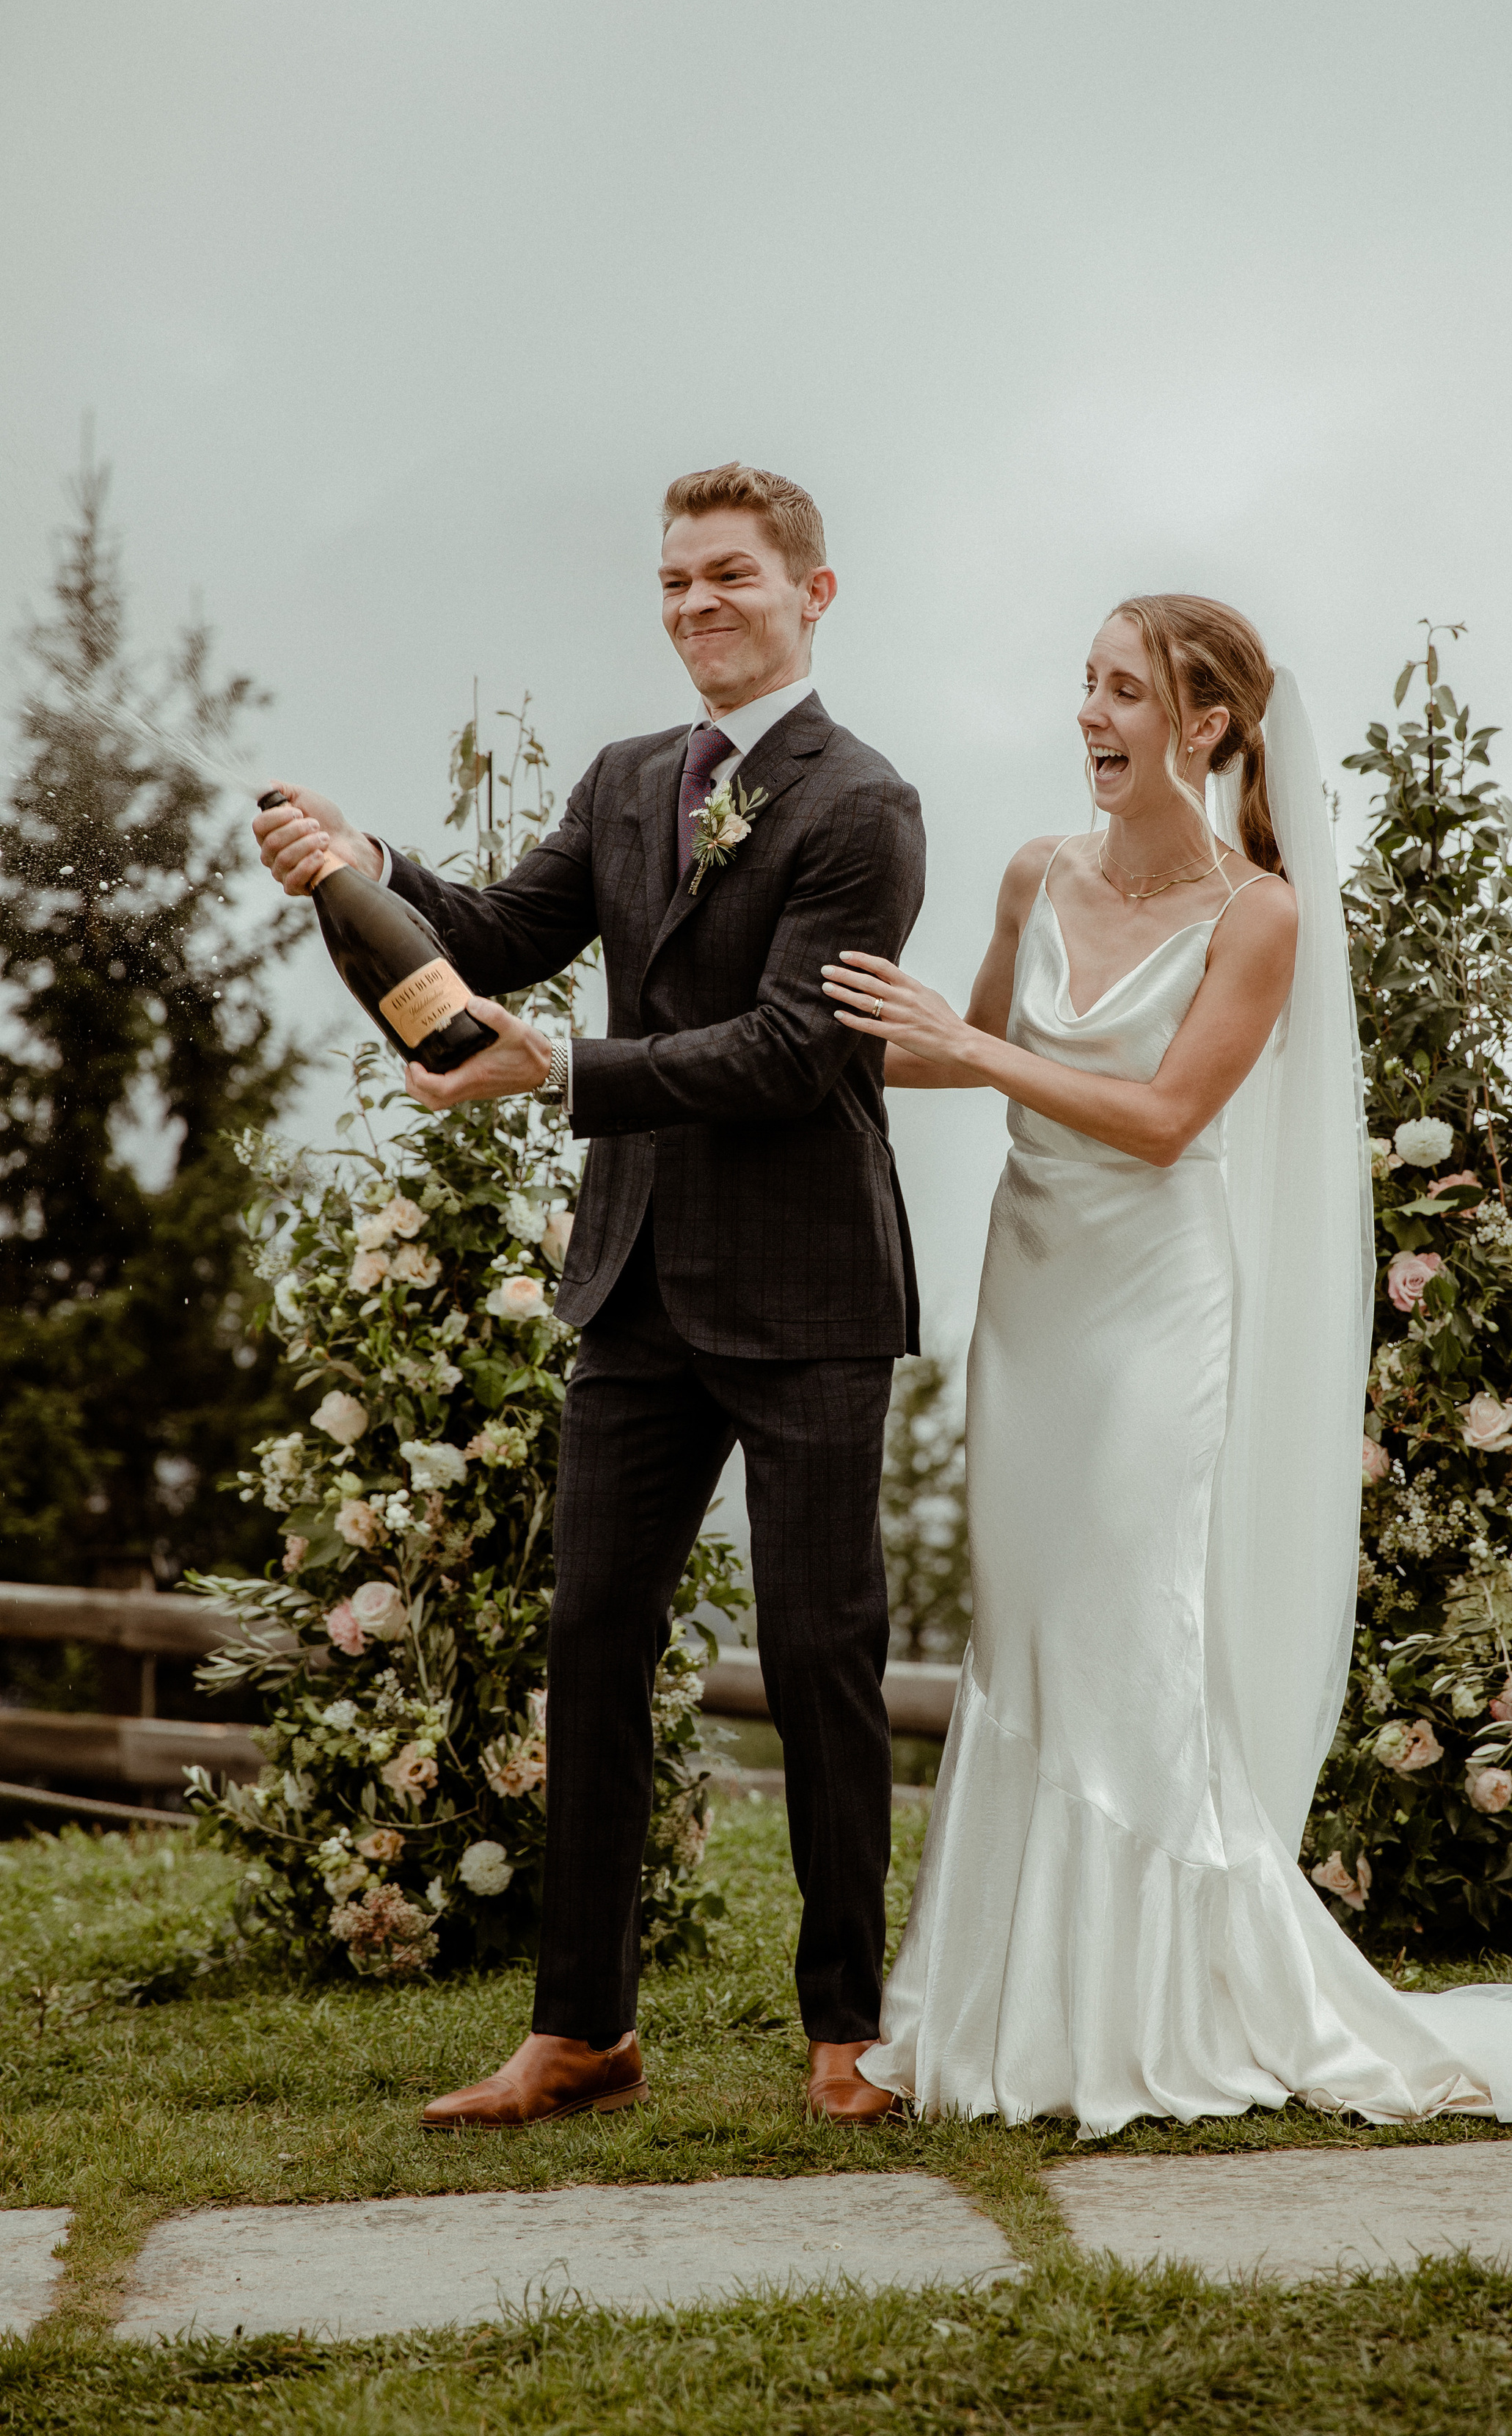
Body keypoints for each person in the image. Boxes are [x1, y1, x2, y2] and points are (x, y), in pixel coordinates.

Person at [820, 594, 1512, 2139]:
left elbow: (1163, 1116)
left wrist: (976, 1054)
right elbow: (947, 1041)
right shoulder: (1030, 874)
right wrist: (801, 1021)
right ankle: (1002, 2007)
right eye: (1082, 687)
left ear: (1202, 727)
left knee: (1131, 1626)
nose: (1087, 717)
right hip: (1031, 1298)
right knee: (1029, 1628)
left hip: (1150, 1298)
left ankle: (1165, 2007)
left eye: (1120, 692)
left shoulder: (1258, 913)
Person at [254, 462, 924, 2130]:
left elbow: (791, 1050)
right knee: (592, 1643)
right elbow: (486, 932)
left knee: (819, 1652)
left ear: (812, 593)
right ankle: (584, 2034)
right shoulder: (630, 779)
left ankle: (847, 2029)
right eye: (675, 582)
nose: (697, 605)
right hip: (631, 1284)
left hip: (809, 1291)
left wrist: (558, 1067)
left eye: (731, 578)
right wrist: (367, 860)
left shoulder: (864, 805)